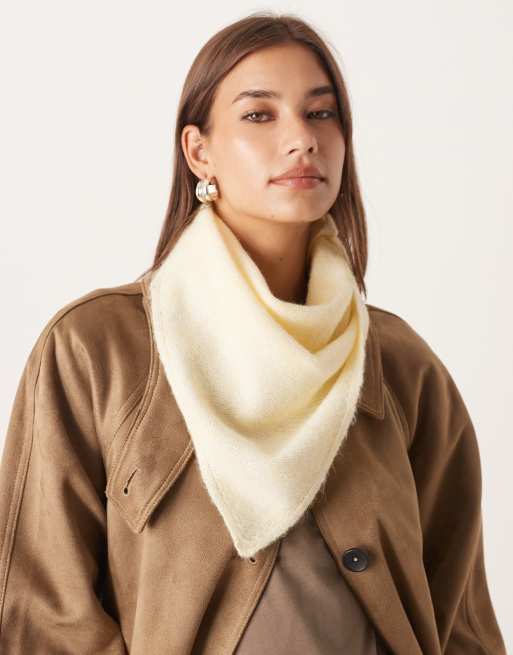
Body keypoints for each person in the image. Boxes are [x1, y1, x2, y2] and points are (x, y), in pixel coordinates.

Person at [0, 11, 506, 655]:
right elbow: (42, 616)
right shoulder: (97, 349)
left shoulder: (401, 365)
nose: (302, 139)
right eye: (259, 115)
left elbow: (463, 623)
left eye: (321, 113)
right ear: (198, 151)